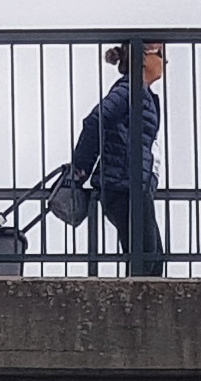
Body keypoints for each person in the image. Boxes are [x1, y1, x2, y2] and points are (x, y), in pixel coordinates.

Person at [69, 42, 167, 277]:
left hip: (133, 185)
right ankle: (138, 310)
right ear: (143, 58)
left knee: (152, 257)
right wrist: (80, 168)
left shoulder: (142, 93)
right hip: (123, 184)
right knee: (145, 257)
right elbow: (95, 120)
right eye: (161, 55)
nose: (165, 62)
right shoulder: (129, 89)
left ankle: (143, 309)